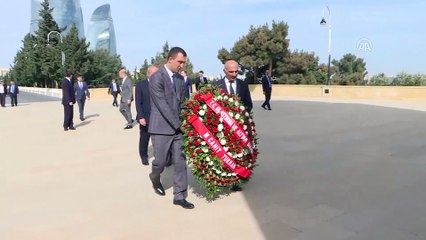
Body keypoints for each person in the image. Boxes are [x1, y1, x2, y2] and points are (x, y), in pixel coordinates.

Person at [148, 47, 194, 209]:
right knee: (160, 162)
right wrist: (179, 124)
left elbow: (182, 103)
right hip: (161, 128)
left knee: (180, 162)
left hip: (178, 129)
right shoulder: (156, 78)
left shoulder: (181, 80)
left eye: (183, 62)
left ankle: (179, 196)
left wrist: (189, 119)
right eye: (180, 62)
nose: (182, 65)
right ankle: (154, 178)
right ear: (170, 59)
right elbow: (162, 106)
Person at [212, 60, 253, 192]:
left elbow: (249, 104)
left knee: (236, 154)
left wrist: (240, 112)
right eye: (231, 72)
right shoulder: (215, 85)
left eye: (236, 71)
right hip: (221, 128)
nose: (234, 74)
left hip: (238, 127)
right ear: (224, 71)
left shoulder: (243, 85)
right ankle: (219, 179)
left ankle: (234, 181)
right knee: (221, 154)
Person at [135, 65, 158, 166]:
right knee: (144, 138)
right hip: (146, 117)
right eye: (153, 74)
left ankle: (162, 158)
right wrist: (140, 117)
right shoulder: (141, 85)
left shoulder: (161, 84)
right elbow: (138, 102)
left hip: (159, 117)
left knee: (159, 139)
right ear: (148, 74)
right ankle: (144, 156)